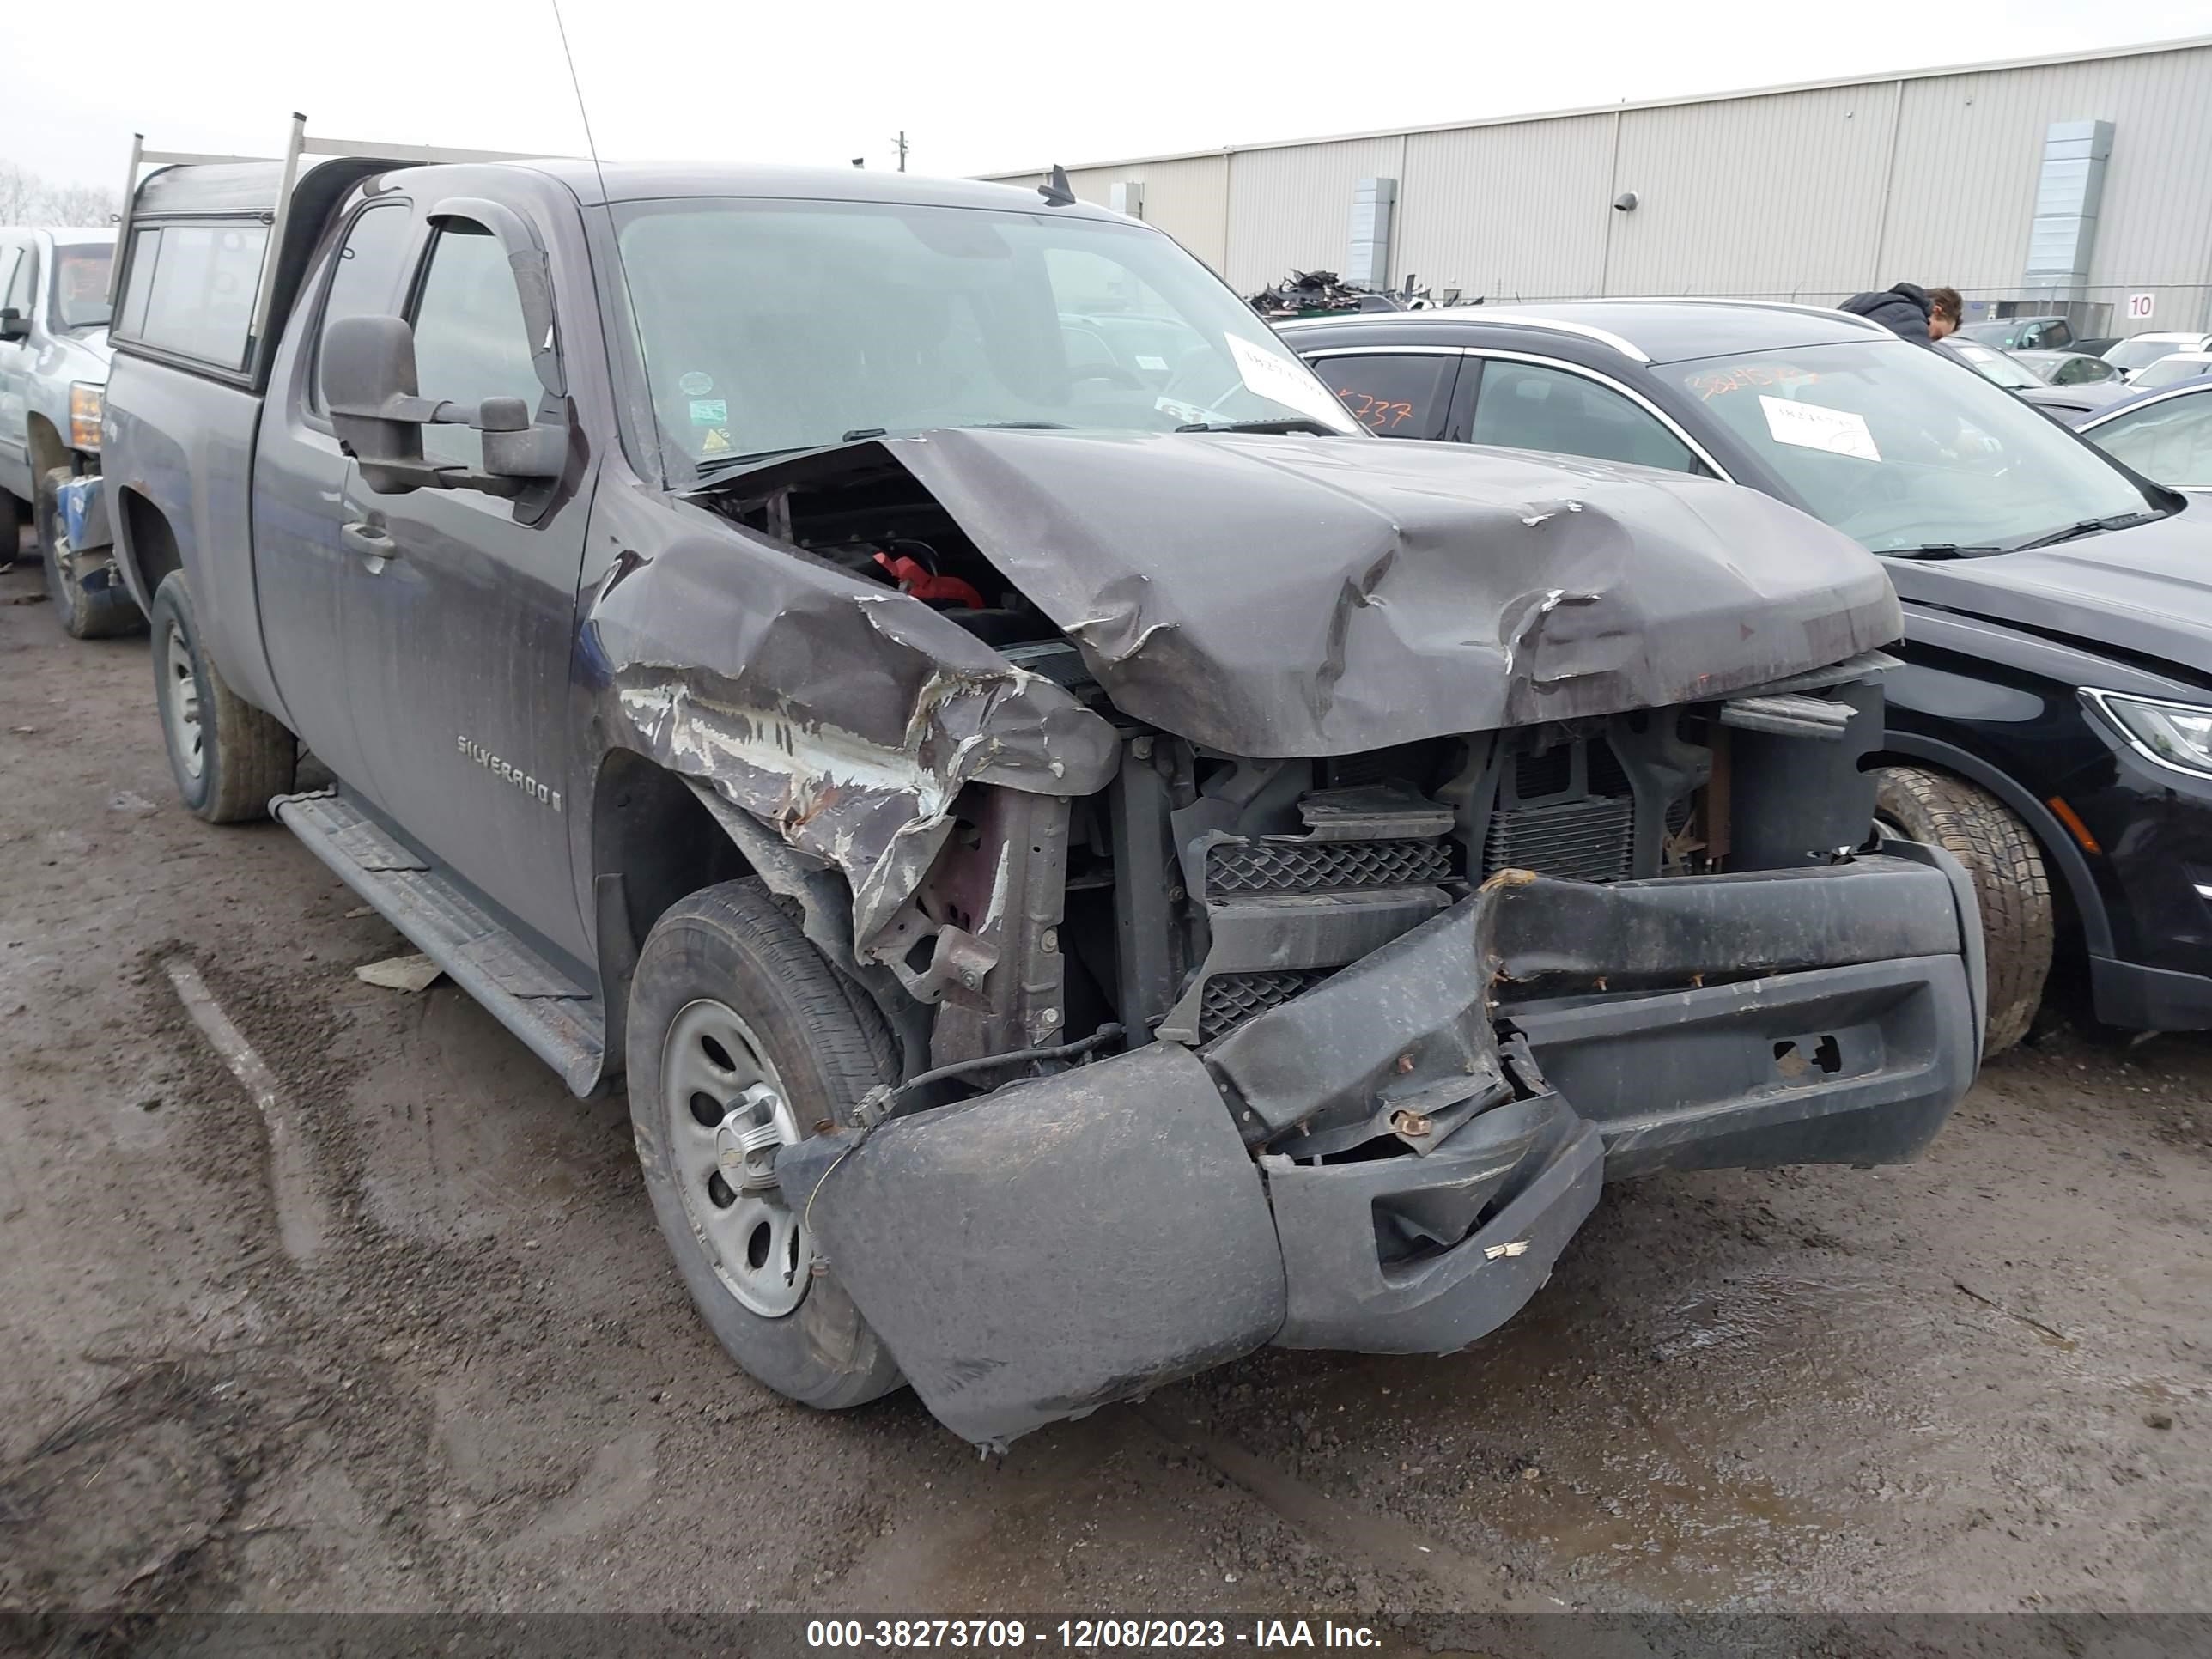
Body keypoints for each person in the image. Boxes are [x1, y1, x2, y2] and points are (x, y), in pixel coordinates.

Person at [1837, 282, 1937, 345]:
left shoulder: (1863, 299)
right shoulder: (1913, 317)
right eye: (1937, 336)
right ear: (1937, 311)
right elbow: (1915, 363)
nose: (1931, 339)